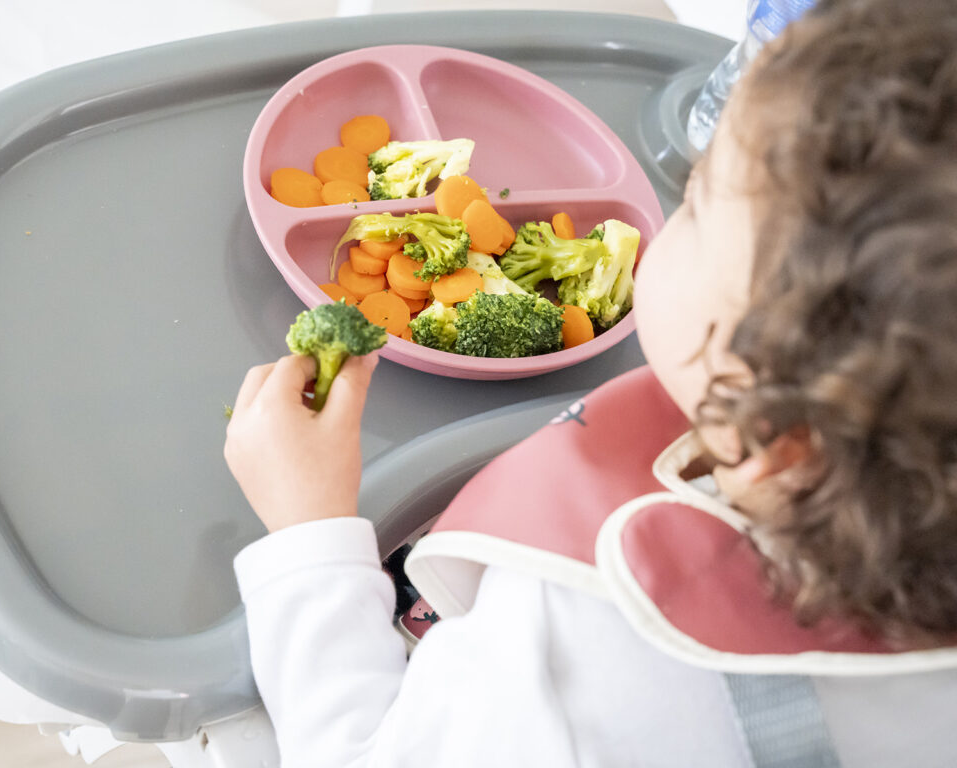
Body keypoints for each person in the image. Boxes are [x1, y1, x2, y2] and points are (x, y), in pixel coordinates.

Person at [223, 1, 957, 764]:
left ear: (774, 431)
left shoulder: (582, 641)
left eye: (700, 199)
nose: (671, 213)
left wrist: (308, 534)